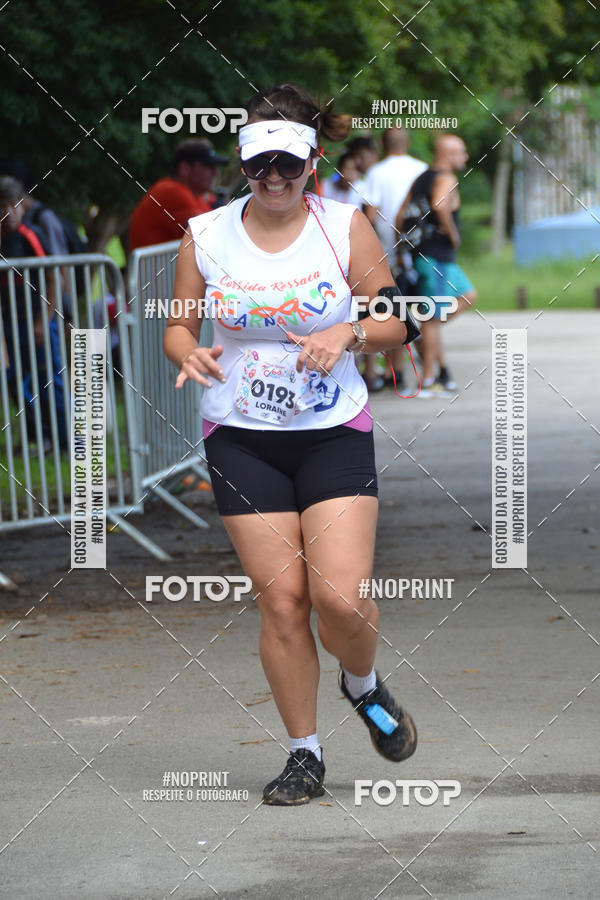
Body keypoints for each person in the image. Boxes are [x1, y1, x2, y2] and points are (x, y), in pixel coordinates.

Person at [164, 83, 418, 806]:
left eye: (288, 166)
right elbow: (179, 324)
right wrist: (186, 350)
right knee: (281, 603)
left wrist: (349, 332)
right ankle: (304, 754)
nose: (274, 180)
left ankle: (362, 684)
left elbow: (395, 320)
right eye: (258, 167)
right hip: (240, 436)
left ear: (313, 162)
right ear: (241, 164)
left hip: (331, 430)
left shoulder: (344, 227)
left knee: (340, 600)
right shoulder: (205, 234)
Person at [396, 134, 477, 396]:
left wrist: (404, 246)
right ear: (448, 154)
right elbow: (440, 205)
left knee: (466, 296)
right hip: (436, 256)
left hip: (425, 256)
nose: (465, 157)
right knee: (431, 317)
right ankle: (429, 379)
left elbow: (399, 216)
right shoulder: (446, 178)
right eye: (461, 152)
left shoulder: (421, 179)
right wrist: (452, 234)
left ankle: (437, 362)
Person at [0, 175, 68, 451]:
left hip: (39, 323)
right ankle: (35, 436)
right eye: (2, 206)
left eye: (13, 206)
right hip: (11, 325)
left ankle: (65, 440)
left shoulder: (31, 236)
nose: (9, 213)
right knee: (17, 379)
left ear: (22, 206)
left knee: (50, 378)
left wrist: (45, 320)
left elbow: (56, 280)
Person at [363, 128, 428, 393]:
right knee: (418, 312)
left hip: (386, 253)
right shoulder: (423, 168)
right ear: (408, 142)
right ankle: (428, 370)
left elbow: (371, 213)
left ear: (383, 144)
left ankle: (398, 372)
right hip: (419, 251)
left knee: (387, 312)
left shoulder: (377, 172)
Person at [128, 139, 228, 250]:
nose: (215, 173)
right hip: (158, 267)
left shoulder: (195, 196)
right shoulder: (172, 191)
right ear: (185, 168)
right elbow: (212, 235)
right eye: (208, 167)